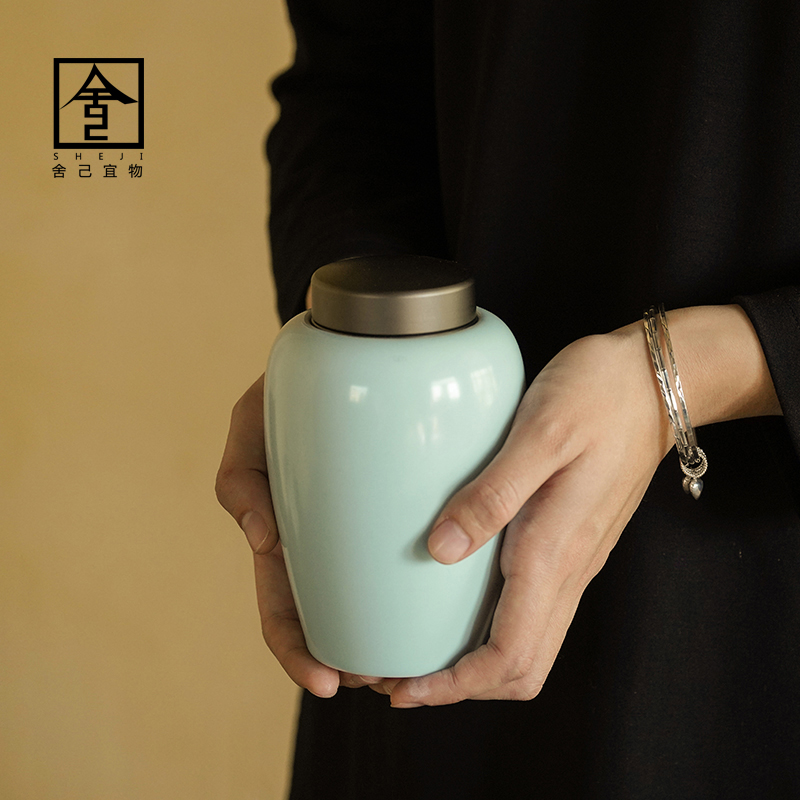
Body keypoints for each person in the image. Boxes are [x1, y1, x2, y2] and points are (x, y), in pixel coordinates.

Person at [216, 1, 800, 797]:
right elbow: (354, 85)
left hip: (742, 629)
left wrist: (694, 371)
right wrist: (346, 348)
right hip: (414, 591)